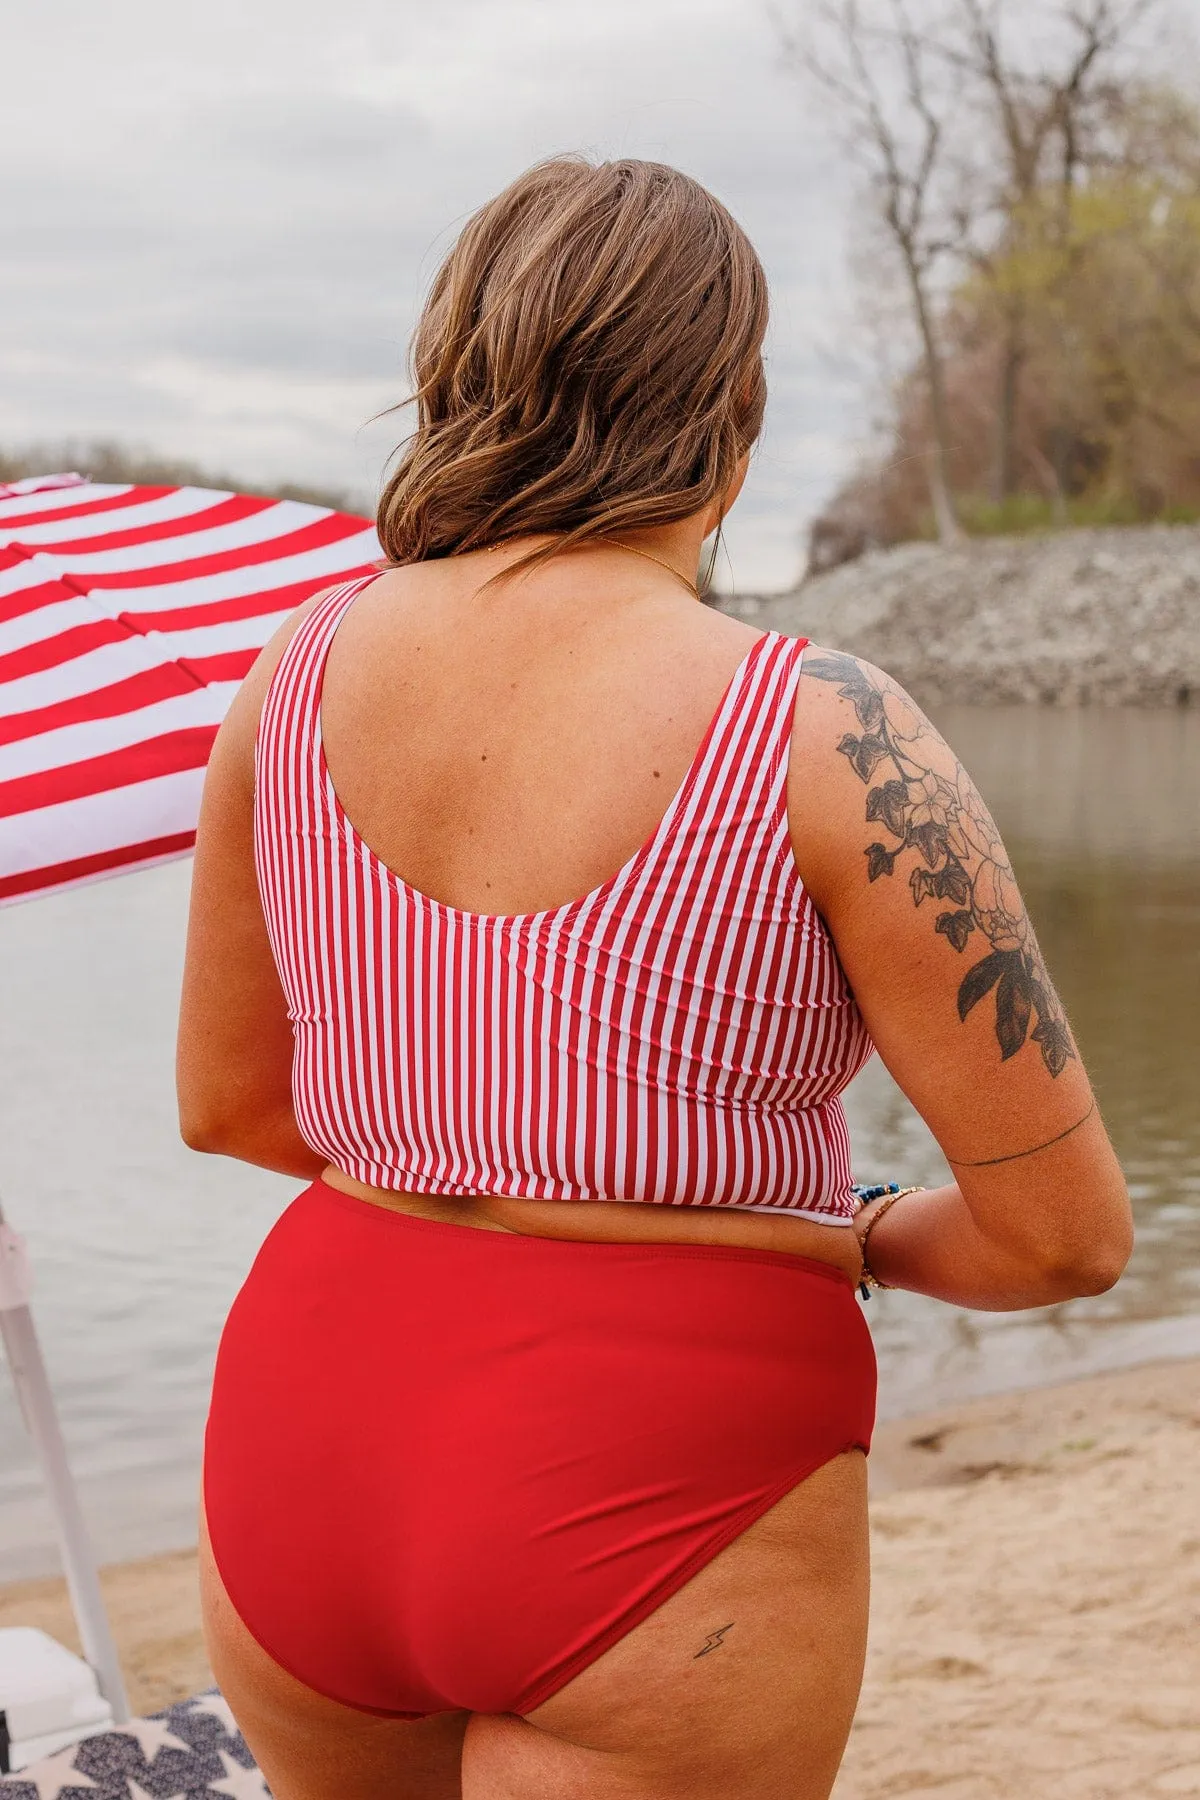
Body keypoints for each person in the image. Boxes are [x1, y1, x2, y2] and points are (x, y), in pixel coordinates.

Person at [176, 157, 1133, 1800]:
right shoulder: (828, 731)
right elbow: (1063, 1240)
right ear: (731, 416)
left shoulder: (292, 673)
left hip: (309, 1439)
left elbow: (232, 1108)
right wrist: (854, 1233)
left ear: (457, 372)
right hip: (657, 1482)